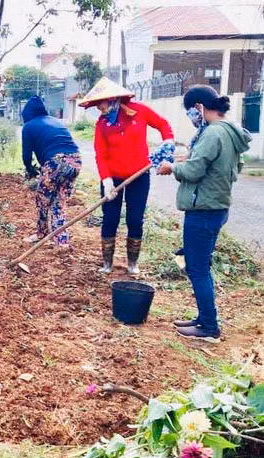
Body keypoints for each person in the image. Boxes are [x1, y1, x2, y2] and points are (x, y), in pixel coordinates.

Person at [157, 85, 251, 343]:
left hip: (204, 210)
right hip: (216, 206)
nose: (191, 116)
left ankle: (209, 327)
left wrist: (172, 167)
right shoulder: (229, 131)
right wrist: (188, 157)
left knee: (197, 269)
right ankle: (203, 318)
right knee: (201, 266)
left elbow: (195, 172)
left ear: (199, 107)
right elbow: (225, 164)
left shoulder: (212, 133)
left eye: (190, 111)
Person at [78, 77, 175, 274]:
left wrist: (168, 142)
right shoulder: (102, 124)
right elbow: (101, 154)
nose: (99, 108)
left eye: (101, 104)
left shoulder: (140, 111)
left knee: (135, 219)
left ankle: (132, 263)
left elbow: (163, 125)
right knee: (110, 218)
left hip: (139, 176)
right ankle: (107, 263)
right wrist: (106, 181)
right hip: (113, 179)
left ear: (113, 99)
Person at [20, 96, 82, 247]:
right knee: (58, 202)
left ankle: (41, 234)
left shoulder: (28, 126)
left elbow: (26, 155)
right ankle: (62, 242)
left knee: (42, 199)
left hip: (56, 162)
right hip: (75, 161)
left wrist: (30, 170)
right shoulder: (55, 121)